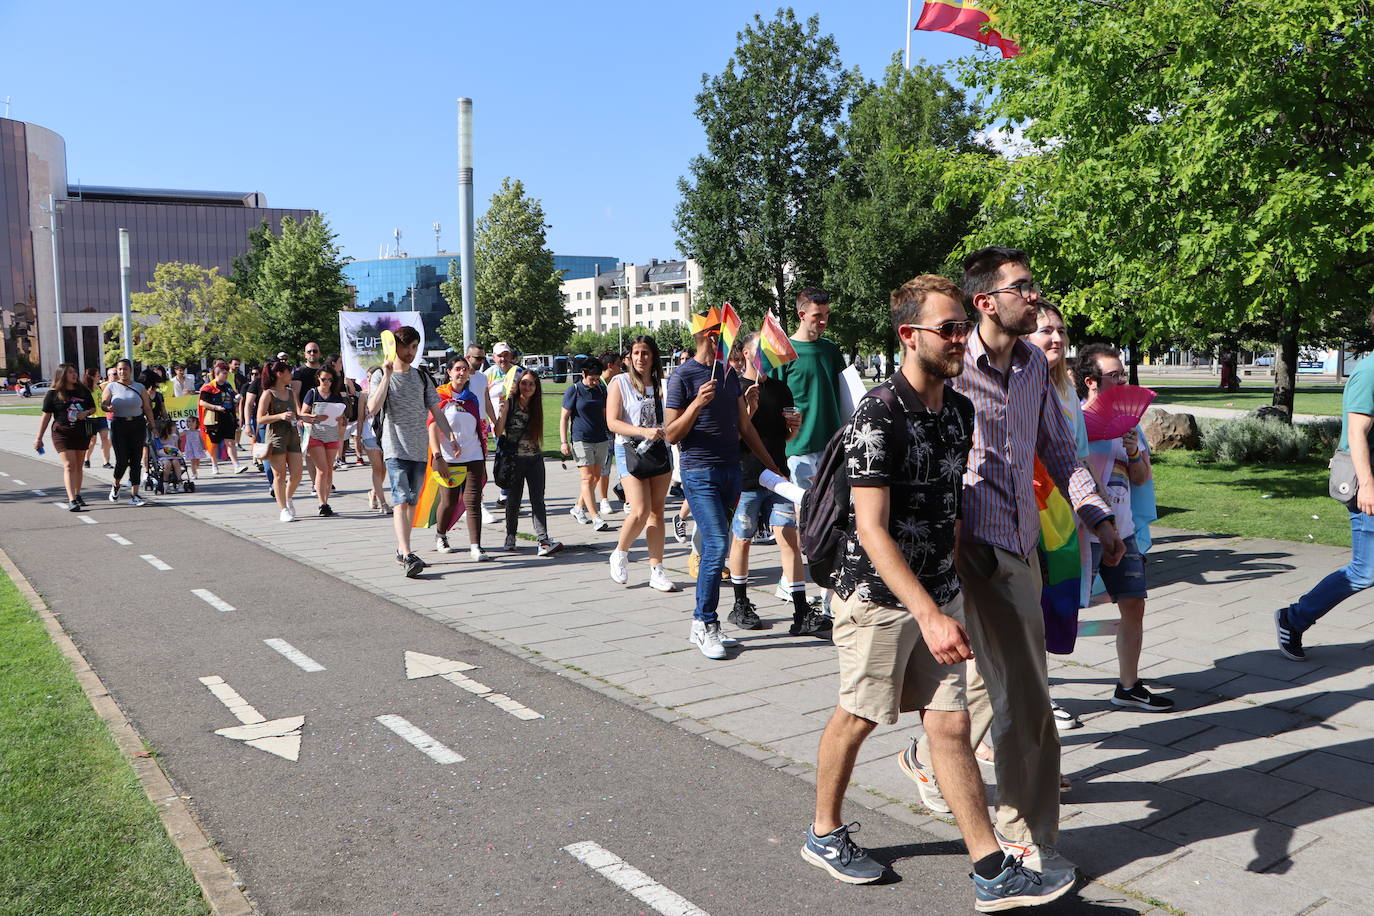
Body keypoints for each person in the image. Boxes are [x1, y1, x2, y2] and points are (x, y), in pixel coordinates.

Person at [805, 275, 1076, 912]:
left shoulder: (956, 409)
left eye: (962, 327)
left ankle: (990, 868)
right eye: (948, 330)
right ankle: (823, 830)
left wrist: (952, 594)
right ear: (909, 336)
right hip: (876, 599)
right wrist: (928, 613)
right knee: (859, 716)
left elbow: (949, 510)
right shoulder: (878, 413)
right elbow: (871, 529)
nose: (960, 340)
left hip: (939, 596)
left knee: (951, 729)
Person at [930, 246, 1120, 876]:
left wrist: (1096, 515)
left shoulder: (1035, 363)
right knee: (996, 692)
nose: (1034, 296)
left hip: (1016, 547)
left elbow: (1060, 450)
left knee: (1021, 692)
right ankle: (1005, 826)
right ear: (986, 301)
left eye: (1033, 286)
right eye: (1022, 287)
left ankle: (1018, 829)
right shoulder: (953, 365)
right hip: (957, 552)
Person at [665, 310, 782, 660]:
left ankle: (701, 623)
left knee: (720, 545)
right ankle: (705, 622)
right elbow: (671, 433)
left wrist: (773, 467)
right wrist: (697, 404)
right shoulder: (683, 377)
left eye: (721, 331)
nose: (717, 337)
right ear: (698, 335)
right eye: (711, 332)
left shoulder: (730, 375)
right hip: (699, 472)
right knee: (716, 546)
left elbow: (745, 428)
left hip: (731, 471)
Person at [1076, 344, 1173, 712]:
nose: (1121, 379)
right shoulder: (1076, 422)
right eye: (1113, 375)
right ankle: (1042, 694)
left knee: (1134, 605)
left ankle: (1128, 686)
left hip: (1125, 529)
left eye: (1122, 373)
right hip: (1083, 531)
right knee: (1060, 612)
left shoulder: (1129, 425)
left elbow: (1141, 477)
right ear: (1091, 382)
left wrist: (1133, 450)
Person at [1278, 306, 1374, 660]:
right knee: (1365, 572)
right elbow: (1357, 432)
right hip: (1367, 483)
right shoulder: (1370, 371)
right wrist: (1368, 485)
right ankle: (1294, 618)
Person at [724, 332, 824, 636]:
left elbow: (783, 437)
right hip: (746, 478)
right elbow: (731, 441)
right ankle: (740, 604)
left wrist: (794, 429)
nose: (767, 359)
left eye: (770, 353)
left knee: (789, 540)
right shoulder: (734, 389)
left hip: (778, 477)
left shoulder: (781, 389)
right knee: (742, 538)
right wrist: (749, 410)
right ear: (746, 355)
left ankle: (800, 610)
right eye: (761, 352)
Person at [1026, 303, 1094, 735]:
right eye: (1044, 331)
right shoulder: (1016, 383)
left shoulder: (1067, 389)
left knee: (1051, 609)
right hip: (1019, 515)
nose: (1056, 338)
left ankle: (1039, 696)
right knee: (1027, 611)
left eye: (1061, 331)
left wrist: (1096, 514)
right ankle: (1035, 701)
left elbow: (1078, 455)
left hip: (1061, 518)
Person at [368, 326, 456, 577]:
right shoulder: (379, 375)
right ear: (395, 347)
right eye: (407, 346)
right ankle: (407, 553)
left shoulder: (421, 376)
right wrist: (386, 375)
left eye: (415, 347)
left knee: (411, 503)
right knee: (401, 498)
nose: (411, 352)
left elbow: (436, 409)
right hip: (394, 446)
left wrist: (450, 435)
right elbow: (373, 408)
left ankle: (401, 550)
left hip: (419, 448)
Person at [605, 336, 677, 592]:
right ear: (629, 357)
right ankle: (620, 553)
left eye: (645, 353)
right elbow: (612, 423)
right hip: (630, 450)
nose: (640, 358)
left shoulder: (664, 385)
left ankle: (656, 569)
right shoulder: (620, 382)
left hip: (660, 451)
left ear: (653, 356)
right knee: (639, 510)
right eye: (636, 353)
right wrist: (642, 431)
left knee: (657, 511)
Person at [775, 288, 846, 491]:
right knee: (802, 513)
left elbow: (846, 394)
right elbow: (771, 401)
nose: (823, 321)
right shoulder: (783, 352)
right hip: (798, 449)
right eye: (817, 315)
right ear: (802, 315)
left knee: (829, 514)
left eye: (827, 315)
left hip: (833, 446)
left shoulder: (831, 350)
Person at [495, 369, 562, 557]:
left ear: (536, 387)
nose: (527, 387)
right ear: (518, 384)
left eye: (531, 384)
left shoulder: (536, 406)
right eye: (524, 383)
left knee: (538, 500)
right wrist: (502, 412)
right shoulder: (510, 403)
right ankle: (510, 536)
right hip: (514, 460)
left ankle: (543, 540)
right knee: (514, 500)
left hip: (535, 460)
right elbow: (498, 431)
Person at [429, 359, 489, 560]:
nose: (462, 372)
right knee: (450, 501)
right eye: (457, 369)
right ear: (449, 372)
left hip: (474, 455)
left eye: (465, 369)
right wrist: (438, 456)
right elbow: (432, 427)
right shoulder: (439, 396)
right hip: (448, 458)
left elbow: (477, 428)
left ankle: (476, 546)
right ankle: (441, 535)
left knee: (473, 501)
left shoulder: (471, 398)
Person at [561, 357, 613, 532]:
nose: (594, 381)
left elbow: (606, 414)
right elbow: (564, 417)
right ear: (583, 373)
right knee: (587, 478)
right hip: (581, 439)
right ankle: (595, 517)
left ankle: (577, 507)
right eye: (592, 378)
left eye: (597, 378)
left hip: (601, 438)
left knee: (596, 478)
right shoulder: (574, 390)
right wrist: (564, 442)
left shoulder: (601, 389)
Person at [36, 362, 96, 511]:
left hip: (81, 432)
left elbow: (93, 407)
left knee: (79, 465)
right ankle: (71, 500)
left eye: (75, 372)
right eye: (70, 372)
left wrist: (86, 413)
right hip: (62, 433)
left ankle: (77, 494)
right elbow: (46, 416)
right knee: (69, 465)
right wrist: (39, 438)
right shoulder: (53, 393)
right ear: (62, 375)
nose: (74, 374)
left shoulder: (82, 390)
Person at [102, 358, 158, 508]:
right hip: (119, 425)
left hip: (137, 424)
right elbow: (104, 403)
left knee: (136, 459)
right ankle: (116, 484)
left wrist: (153, 426)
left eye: (125, 369)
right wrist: (107, 407)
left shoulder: (139, 387)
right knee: (121, 460)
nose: (122, 372)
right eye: (119, 369)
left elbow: (147, 408)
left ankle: (135, 494)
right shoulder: (111, 386)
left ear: (130, 371)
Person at [257, 360, 305, 523]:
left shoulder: (291, 392)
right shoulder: (268, 393)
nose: (291, 375)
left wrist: (310, 418)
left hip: (292, 434)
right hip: (276, 436)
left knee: (297, 473)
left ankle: (288, 497)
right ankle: (283, 509)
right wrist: (279, 416)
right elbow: (260, 419)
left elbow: (297, 413)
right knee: (279, 475)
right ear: (280, 374)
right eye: (289, 372)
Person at [302, 364, 348, 517]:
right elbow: (303, 415)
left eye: (330, 379)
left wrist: (341, 419)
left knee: (329, 470)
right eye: (323, 379)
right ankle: (322, 503)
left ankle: (326, 502)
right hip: (316, 434)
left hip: (332, 434)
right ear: (318, 379)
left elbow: (342, 416)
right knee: (322, 470)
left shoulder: (336, 396)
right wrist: (313, 418)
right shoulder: (312, 393)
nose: (326, 382)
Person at [199, 361, 246, 475]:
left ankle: (236, 465)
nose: (226, 375)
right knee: (214, 443)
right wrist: (215, 407)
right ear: (217, 374)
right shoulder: (208, 387)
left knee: (230, 441)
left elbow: (234, 395)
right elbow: (202, 402)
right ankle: (214, 465)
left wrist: (238, 398)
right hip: (214, 418)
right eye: (224, 373)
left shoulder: (228, 386)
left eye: (226, 373)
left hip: (228, 417)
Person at [596, 350, 624, 516]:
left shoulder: (616, 383)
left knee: (622, 465)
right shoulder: (598, 385)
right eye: (619, 365)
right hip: (602, 434)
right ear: (610, 366)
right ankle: (603, 500)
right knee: (603, 468)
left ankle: (624, 495)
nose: (621, 368)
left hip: (616, 432)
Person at [83, 366, 112, 469]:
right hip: (91, 418)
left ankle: (106, 462)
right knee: (92, 440)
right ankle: (86, 459)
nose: (99, 376)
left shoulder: (99, 387)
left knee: (105, 439)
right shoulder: (86, 389)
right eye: (97, 375)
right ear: (91, 377)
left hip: (102, 417)